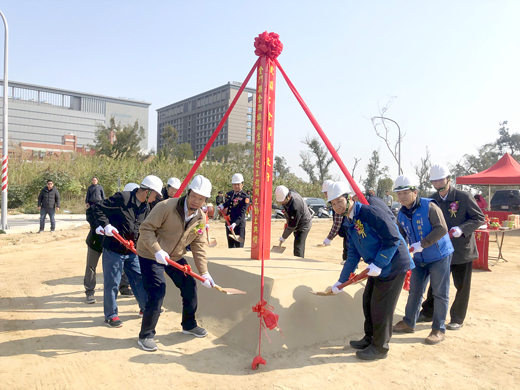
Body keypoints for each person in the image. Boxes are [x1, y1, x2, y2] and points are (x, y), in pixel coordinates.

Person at [327, 181, 414, 361]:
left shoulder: (369, 212)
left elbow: (393, 238)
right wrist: (341, 281)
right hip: (376, 266)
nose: (336, 206)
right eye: (333, 204)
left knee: (381, 307)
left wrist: (379, 263)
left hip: (393, 264)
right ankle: (369, 338)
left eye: (339, 201)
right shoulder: (348, 220)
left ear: (349, 198)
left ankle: (380, 348)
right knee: (367, 302)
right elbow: (352, 252)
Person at [136, 175, 216, 351]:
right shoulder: (166, 206)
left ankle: (189, 325)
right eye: (194, 196)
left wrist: (204, 272)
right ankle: (146, 335)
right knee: (158, 290)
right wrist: (157, 250)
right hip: (151, 254)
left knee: (189, 285)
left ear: (205, 200)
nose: (196, 201)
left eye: (201, 198)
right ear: (188, 192)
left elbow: (198, 245)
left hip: (174, 256)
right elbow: (146, 229)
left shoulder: (201, 218)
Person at [417, 164, 485, 330]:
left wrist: (462, 229)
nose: (438, 183)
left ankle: (457, 318)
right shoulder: (432, 200)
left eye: (441, 179)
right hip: (440, 250)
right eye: (434, 180)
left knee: (461, 286)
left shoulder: (463, 197)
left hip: (462, 250)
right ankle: (428, 312)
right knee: (436, 283)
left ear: (448, 178)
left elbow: (479, 218)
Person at [91, 175, 163, 328]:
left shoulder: (146, 206)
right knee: (112, 283)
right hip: (113, 248)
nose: (155, 198)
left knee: (138, 278)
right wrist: (106, 225)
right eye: (155, 195)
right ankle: (111, 315)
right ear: (148, 192)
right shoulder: (122, 198)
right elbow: (97, 208)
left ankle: (145, 308)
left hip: (132, 250)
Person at [391, 175, 454, 344]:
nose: (402, 196)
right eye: (399, 193)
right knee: (415, 291)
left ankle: (438, 329)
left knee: (440, 293)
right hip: (419, 258)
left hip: (439, 255)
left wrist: (423, 244)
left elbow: (442, 228)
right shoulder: (402, 214)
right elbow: (401, 237)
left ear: (415, 192)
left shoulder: (429, 206)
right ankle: (408, 322)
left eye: (405, 192)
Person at [83, 183, 137, 304]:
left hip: (113, 245)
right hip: (97, 241)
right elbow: (91, 211)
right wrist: (96, 226)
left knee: (122, 265)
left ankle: (123, 287)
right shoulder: (112, 204)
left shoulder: (133, 210)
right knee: (91, 266)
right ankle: (90, 291)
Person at [275, 185, 312, 258]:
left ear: (288, 197)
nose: (282, 203)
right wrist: (288, 221)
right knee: (297, 242)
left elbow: (292, 226)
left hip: (304, 224)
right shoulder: (289, 193)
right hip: (297, 221)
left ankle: (299, 262)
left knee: (298, 246)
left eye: (282, 201)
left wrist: (283, 237)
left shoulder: (295, 205)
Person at [219, 173, 249, 248]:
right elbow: (229, 203)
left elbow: (242, 213)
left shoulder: (245, 197)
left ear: (242, 184)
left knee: (239, 247)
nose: (236, 186)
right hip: (229, 223)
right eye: (234, 184)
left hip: (238, 225)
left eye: (238, 184)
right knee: (231, 246)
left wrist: (235, 223)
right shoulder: (230, 194)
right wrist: (222, 206)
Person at [321, 179, 342, 247]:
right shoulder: (338, 200)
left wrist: (329, 238)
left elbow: (337, 223)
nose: (325, 196)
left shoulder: (337, 203)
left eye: (326, 193)